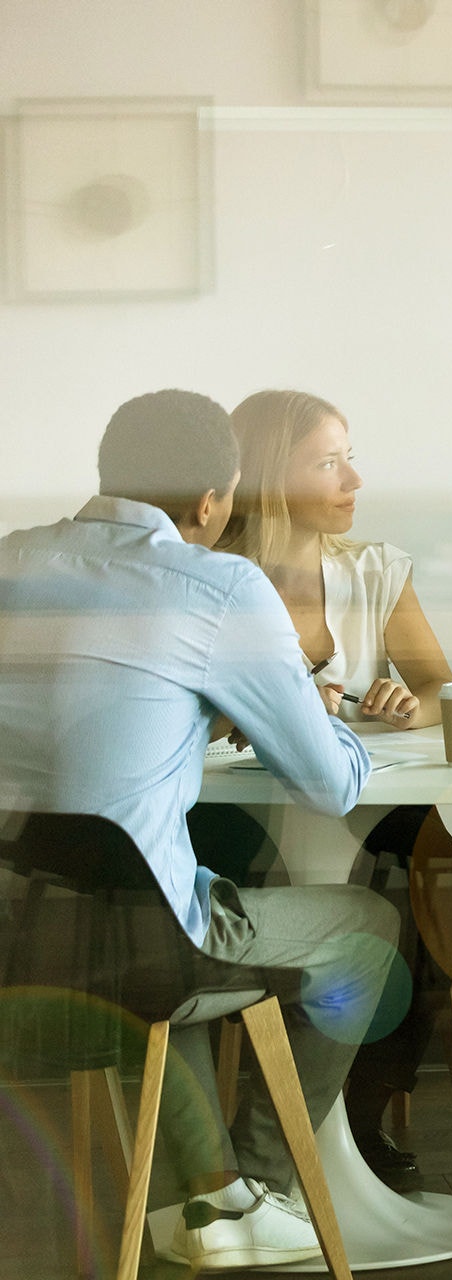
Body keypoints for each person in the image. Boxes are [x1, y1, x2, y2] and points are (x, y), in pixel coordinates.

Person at [0, 390, 399, 1271]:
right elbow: (329, 788)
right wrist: (315, 714)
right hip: (144, 949)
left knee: (156, 896)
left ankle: (206, 1196)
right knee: (367, 932)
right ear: (212, 502)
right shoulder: (216, 583)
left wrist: (193, 718)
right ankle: (261, 1190)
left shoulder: (12, 560)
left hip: (17, 939)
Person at [216, 388, 452, 1192]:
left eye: (349, 456)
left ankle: (359, 1109)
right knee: (345, 910)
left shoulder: (373, 571)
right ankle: (283, 1130)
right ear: (264, 474)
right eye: (328, 462)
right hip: (239, 817)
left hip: (366, 797)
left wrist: (403, 704)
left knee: (444, 880)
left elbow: (441, 687)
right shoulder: (211, 579)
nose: (353, 479)